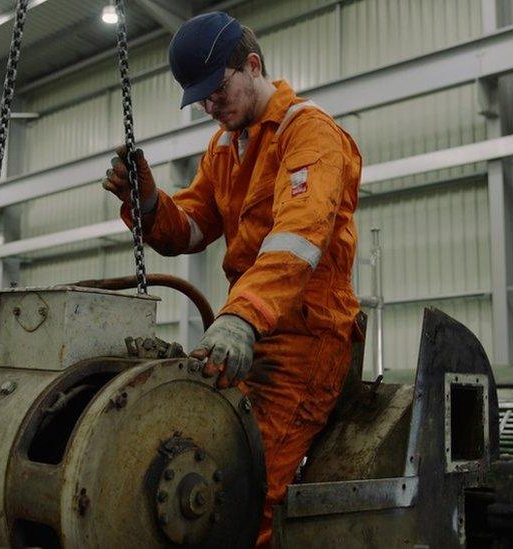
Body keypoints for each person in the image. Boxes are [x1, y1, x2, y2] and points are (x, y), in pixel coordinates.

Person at [102, 12, 362, 547]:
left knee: (251, 494)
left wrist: (243, 316)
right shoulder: (225, 147)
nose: (209, 106)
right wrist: (149, 203)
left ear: (252, 65)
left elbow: (299, 236)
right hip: (248, 336)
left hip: (305, 344)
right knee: (209, 464)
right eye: (199, 98)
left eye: (216, 90)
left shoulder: (310, 135)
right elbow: (192, 227)